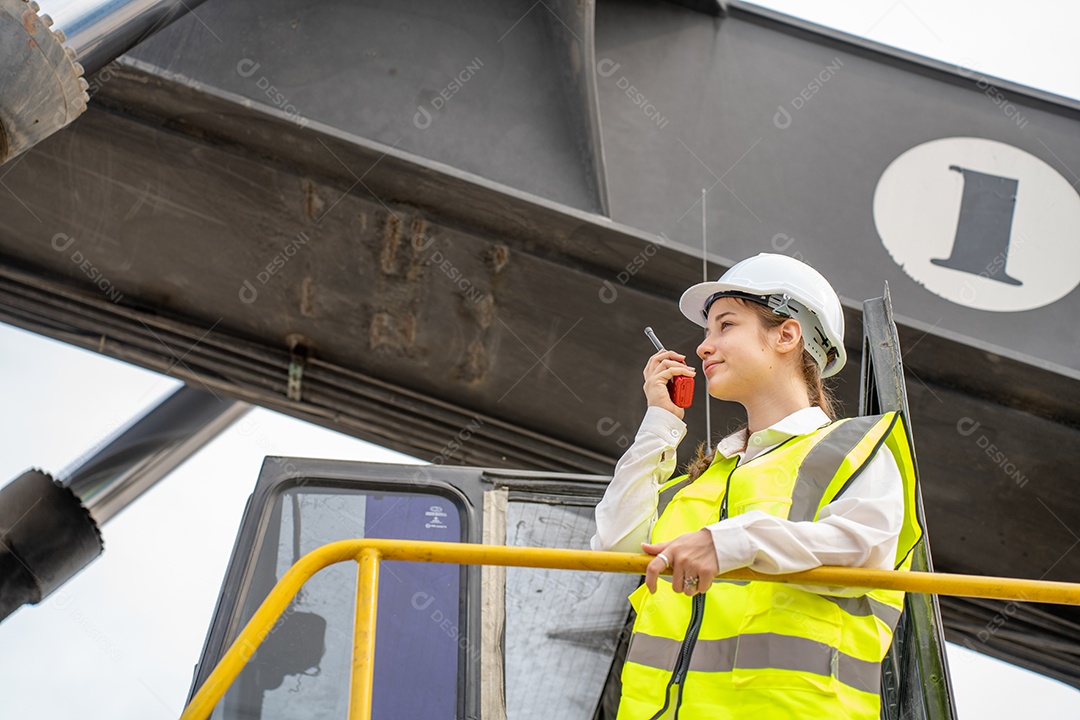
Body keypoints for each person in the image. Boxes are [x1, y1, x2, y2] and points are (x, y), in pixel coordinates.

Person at [590, 253, 923, 720]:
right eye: (706, 333)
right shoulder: (704, 480)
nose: (704, 347)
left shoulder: (855, 448)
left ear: (787, 335)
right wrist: (659, 422)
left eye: (725, 326)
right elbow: (612, 547)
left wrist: (731, 542)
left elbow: (863, 548)